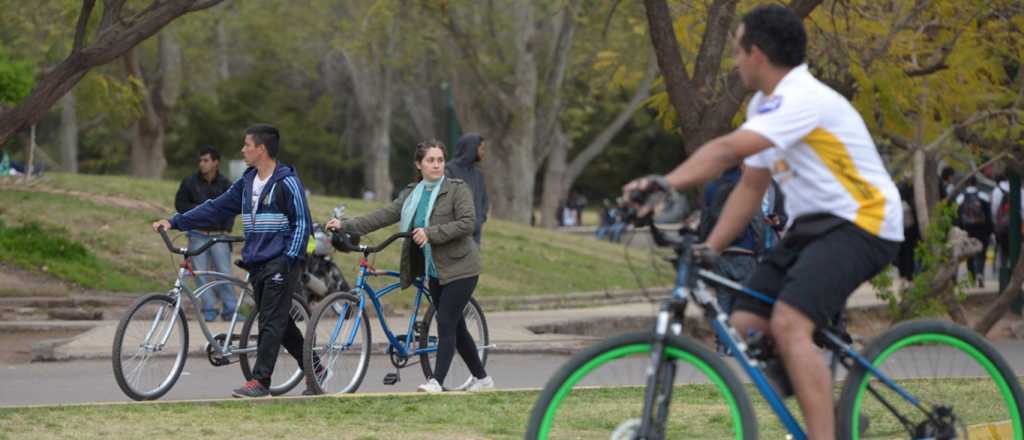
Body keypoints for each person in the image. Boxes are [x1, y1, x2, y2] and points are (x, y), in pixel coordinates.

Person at [623, 6, 902, 439]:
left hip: (863, 221)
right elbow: (750, 187)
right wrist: (710, 247)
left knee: (790, 324)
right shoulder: (763, 105)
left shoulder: (801, 97)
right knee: (746, 323)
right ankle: (837, 416)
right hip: (816, 226)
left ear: (756, 53)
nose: (733, 60)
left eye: (736, 50)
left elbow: (726, 152)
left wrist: (663, 183)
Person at [152, 124, 318, 398]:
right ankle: (316, 370)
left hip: (281, 262)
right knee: (278, 321)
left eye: (247, 145)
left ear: (261, 149)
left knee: (271, 322)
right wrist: (175, 221)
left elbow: (302, 223)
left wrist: (288, 259)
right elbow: (215, 208)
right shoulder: (247, 182)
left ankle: (260, 381)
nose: (242, 150)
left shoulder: (287, 181)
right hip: (257, 261)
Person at [327, 140, 494, 393]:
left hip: (462, 268)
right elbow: (382, 216)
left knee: (446, 322)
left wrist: (431, 232)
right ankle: (483, 379)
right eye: (430, 160)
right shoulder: (411, 194)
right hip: (434, 270)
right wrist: (345, 225)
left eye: (440, 160)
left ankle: (436, 382)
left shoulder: (457, 190)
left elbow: (467, 223)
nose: (436, 165)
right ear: (419, 164)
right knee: (457, 327)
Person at [175, 147, 236, 322]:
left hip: (219, 235)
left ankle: (230, 310)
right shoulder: (189, 182)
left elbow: (232, 208)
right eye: (200, 160)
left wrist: (225, 227)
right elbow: (180, 204)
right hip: (197, 234)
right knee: (200, 273)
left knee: (224, 272)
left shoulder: (225, 183)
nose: (202, 164)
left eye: (206, 160)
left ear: (216, 162)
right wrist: (200, 213)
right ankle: (209, 309)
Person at [445, 133, 489, 245]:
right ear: (472, 148)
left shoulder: (478, 174)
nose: (484, 153)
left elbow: (484, 201)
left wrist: (480, 220)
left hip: (475, 238)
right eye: (482, 149)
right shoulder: (449, 170)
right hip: (454, 237)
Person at [955, 176, 993, 287]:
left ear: (965, 184)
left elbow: (957, 217)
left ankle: (971, 277)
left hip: (966, 229)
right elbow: (989, 216)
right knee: (981, 252)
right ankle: (980, 273)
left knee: (969, 253)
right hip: (982, 229)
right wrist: (990, 230)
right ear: (976, 183)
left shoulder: (960, 197)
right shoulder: (983, 196)